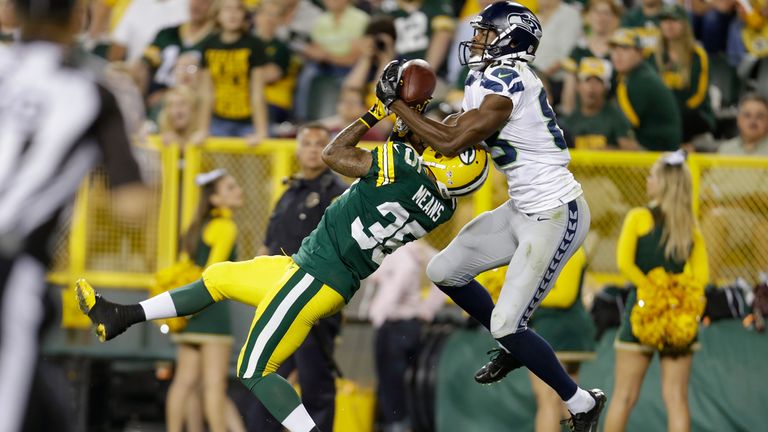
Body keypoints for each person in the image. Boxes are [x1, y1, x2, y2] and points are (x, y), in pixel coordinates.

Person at [76, 98, 490, 431]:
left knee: (253, 369)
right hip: (314, 270)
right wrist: (408, 122)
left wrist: (378, 111)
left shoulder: (402, 167)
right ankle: (123, 315)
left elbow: (335, 152)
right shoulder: (440, 208)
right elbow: (409, 163)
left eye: (449, 141)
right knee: (219, 277)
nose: (442, 137)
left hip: (316, 275)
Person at [379, 2, 606, 430]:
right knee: (443, 269)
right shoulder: (483, 78)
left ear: (511, 38)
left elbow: (454, 142)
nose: (477, 38)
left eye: (486, 32)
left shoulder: (509, 78)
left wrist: (401, 108)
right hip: (522, 207)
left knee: (506, 323)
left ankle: (581, 403)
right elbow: (452, 132)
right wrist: (412, 124)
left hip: (556, 212)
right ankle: (512, 343)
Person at [0, 0, 151, 430]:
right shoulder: (93, 89)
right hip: (9, 265)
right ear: (76, 20)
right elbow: (132, 206)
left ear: (10, 13)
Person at [249, 123, 348, 432]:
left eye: (320, 143)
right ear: (297, 149)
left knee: (314, 380)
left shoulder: (338, 194)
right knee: (263, 375)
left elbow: (343, 249)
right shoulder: (289, 192)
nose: (312, 149)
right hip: (278, 297)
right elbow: (267, 245)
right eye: (307, 143)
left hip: (312, 299)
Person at [603, 151, 709, 432]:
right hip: (678, 318)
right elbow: (702, 278)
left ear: (662, 182)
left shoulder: (638, 217)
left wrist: (651, 287)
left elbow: (624, 263)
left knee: (624, 397)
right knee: (676, 399)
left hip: (642, 311)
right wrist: (676, 295)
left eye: (652, 175)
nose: (648, 180)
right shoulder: (690, 226)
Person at [164, 169, 246, 432]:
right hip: (211, 313)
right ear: (215, 199)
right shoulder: (225, 226)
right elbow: (213, 275)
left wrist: (185, 310)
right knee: (214, 387)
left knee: (185, 382)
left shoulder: (197, 226)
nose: (239, 191)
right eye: (230, 188)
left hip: (188, 311)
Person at [366, 239, 445, 432]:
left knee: (392, 384)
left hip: (395, 326)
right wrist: (427, 310)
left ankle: (399, 426)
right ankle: (402, 424)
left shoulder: (401, 254)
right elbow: (444, 273)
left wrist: (376, 315)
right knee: (403, 383)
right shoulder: (417, 251)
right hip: (411, 325)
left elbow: (394, 288)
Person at [199, 0, 268, 143]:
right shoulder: (208, 44)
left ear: (244, 14)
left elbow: (257, 92)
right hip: (218, 121)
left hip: (248, 123)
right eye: (227, 9)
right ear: (217, 15)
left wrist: (261, 131)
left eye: (238, 9)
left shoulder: (254, 44)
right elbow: (206, 93)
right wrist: (203, 129)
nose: (233, 14)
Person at [610, 28, 682, 151]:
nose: (617, 54)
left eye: (625, 48)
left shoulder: (641, 81)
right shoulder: (633, 76)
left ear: (640, 52)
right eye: (614, 48)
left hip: (656, 154)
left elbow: (622, 131)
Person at [655, 5, 715, 151]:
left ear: (685, 24)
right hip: (664, 118)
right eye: (664, 20)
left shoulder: (698, 55)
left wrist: (671, 113)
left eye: (674, 20)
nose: (669, 25)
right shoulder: (653, 56)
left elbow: (698, 96)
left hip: (693, 117)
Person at [560, 0, 622, 115]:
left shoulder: (621, 51)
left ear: (616, 18)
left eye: (606, 13)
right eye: (596, 12)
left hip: (613, 116)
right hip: (581, 117)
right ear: (587, 16)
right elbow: (569, 94)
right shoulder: (577, 51)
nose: (600, 17)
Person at [559, 58, 635, 150]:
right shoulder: (569, 120)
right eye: (587, 80)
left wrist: (610, 151)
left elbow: (632, 151)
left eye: (598, 81)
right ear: (578, 86)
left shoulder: (616, 117)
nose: (592, 87)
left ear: (606, 88)